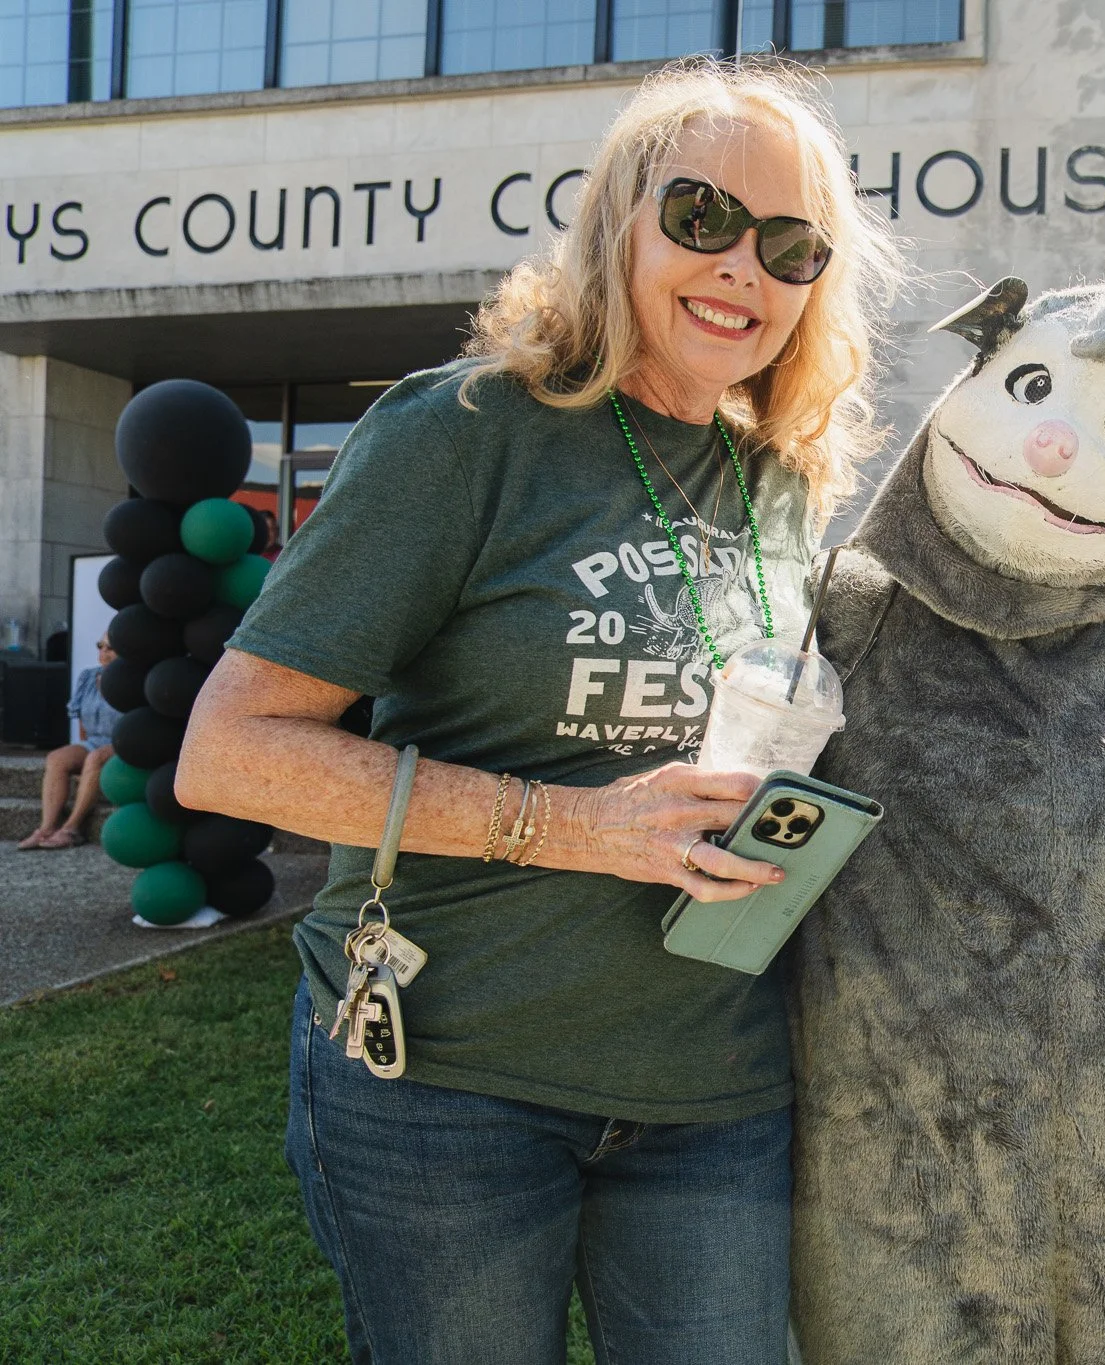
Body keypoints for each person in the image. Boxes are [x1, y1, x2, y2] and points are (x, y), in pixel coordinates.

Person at [178, 58, 900, 1365]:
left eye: (791, 246)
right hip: (447, 1085)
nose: (743, 267)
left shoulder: (782, 482)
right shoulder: (465, 430)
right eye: (700, 218)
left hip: (717, 1087)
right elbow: (229, 756)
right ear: (617, 216)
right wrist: (579, 827)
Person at [17, 634, 119, 850]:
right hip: (94, 742)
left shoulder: (132, 681)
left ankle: (72, 829)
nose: (103, 651)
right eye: (100, 645)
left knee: (95, 758)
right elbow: (83, 725)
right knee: (57, 758)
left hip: (121, 743)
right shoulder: (88, 677)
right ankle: (46, 828)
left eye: (110, 647)